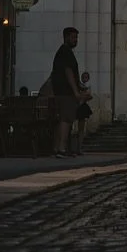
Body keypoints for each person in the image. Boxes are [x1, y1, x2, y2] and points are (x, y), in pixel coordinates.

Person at [51, 26, 83, 156]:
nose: (76, 40)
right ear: (66, 37)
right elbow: (68, 72)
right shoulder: (66, 52)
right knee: (66, 119)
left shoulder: (63, 52)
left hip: (61, 91)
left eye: (76, 37)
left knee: (61, 120)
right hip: (66, 92)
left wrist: (79, 86)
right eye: (73, 37)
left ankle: (57, 148)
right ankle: (62, 148)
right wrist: (76, 91)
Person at [70, 70, 93, 155]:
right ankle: (75, 148)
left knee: (81, 129)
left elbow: (89, 96)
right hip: (78, 106)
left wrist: (83, 97)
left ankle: (79, 148)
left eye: (86, 77)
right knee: (75, 128)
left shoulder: (87, 86)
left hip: (81, 107)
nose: (85, 79)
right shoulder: (79, 85)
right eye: (83, 77)